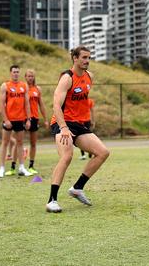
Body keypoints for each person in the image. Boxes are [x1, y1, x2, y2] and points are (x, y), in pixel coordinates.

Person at [46, 46, 110, 213]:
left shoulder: (90, 77)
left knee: (103, 152)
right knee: (66, 156)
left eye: (89, 57)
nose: (87, 60)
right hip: (62, 122)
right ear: (75, 58)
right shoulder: (67, 78)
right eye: (83, 57)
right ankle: (52, 200)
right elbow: (56, 106)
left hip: (79, 124)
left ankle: (77, 188)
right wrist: (64, 128)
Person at [0, 65, 32, 178]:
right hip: (9, 119)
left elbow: (27, 103)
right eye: (14, 72)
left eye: (17, 72)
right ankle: (1, 169)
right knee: (5, 143)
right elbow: (2, 104)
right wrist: (5, 119)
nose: (16, 74)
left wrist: (28, 119)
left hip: (20, 119)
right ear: (10, 73)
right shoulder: (5, 85)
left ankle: (21, 167)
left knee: (20, 143)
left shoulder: (23, 85)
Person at [25, 69, 49, 174]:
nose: (30, 78)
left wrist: (46, 119)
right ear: (25, 77)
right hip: (23, 117)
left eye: (32, 76)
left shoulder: (37, 89)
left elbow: (42, 105)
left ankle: (31, 165)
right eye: (28, 76)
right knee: (18, 141)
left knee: (33, 143)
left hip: (34, 118)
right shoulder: (22, 88)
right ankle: (16, 165)